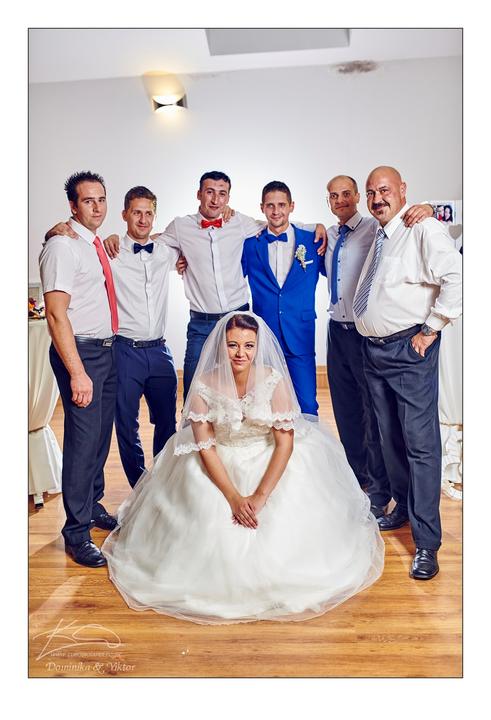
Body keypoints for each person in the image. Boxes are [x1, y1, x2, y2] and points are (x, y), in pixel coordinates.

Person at [102, 312, 384, 624]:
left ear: (258, 347)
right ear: (221, 346)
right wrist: (234, 498)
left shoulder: (273, 380)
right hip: (219, 459)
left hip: (269, 454)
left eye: (249, 346)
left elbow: (285, 444)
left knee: (287, 511)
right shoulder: (203, 385)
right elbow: (205, 448)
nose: (240, 353)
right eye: (233, 345)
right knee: (207, 508)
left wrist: (260, 496)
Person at [98, 171, 327, 398]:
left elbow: (275, 224)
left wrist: (315, 226)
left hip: (238, 319)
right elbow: (150, 242)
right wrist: (118, 239)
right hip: (202, 324)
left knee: (245, 391)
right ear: (199, 194)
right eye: (210, 192)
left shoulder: (240, 222)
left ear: (228, 197)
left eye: (222, 194)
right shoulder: (181, 227)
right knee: (194, 392)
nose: (216, 199)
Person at [353, 166, 462, 581]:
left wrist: (431, 328)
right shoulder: (381, 234)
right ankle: (401, 507)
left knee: (420, 446)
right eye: (371, 192)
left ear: (402, 190)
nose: (377, 198)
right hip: (374, 352)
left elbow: (457, 277)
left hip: (408, 350)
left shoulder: (423, 228)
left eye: (384, 190)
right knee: (389, 438)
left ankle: (427, 543)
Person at [325, 175, 433, 507]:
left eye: (347, 194)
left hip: (366, 335)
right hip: (337, 330)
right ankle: (357, 478)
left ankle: (379, 488)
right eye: (333, 196)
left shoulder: (377, 226)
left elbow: (408, 218)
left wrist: (428, 208)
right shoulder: (327, 235)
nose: (341, 200)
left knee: (373, 416)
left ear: (358, 196)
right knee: (345, 410)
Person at [39, 171, 118, 568]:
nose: (97, 207)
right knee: (83, 443)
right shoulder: (62, 246)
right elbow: (56, 315)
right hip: (81, 354)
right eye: (88, 201)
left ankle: (92, 505)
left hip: (106, 350)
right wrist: (77, 372)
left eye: (101, 199)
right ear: (73, 205)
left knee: (100, 437)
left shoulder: (92, 243)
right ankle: (75, 533)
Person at [110, 186, 179, 487]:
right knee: (126, 424)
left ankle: (161, 484)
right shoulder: (110, 252)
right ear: (124, 214)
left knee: (167, 421)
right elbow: (75, 241)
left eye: (148, 213)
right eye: (136, 212)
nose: (142, 219)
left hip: (160, 351)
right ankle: (139, 486)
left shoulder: (166, 251)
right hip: (125, 350)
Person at [242, 181, 325, 417]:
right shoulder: (250, 245)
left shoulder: (313, 240)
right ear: (262, 208)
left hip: (300, 333)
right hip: (264, 334)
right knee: (264, 406)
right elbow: (229, 274)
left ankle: (308, 441)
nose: (276, 211)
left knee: (307, 405)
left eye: (281, 205)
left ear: (291, 206)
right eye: (270, 205)